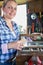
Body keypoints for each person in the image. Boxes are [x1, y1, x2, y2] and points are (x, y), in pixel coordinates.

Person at [0, 0, 24, 65]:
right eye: (9, 7)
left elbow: (17, 40)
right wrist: (9, 45)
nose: (13, 11)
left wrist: (29, 38)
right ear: (3, 8)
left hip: (14, 60)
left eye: (15, 8)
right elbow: (12, 44)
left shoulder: (15, 25)